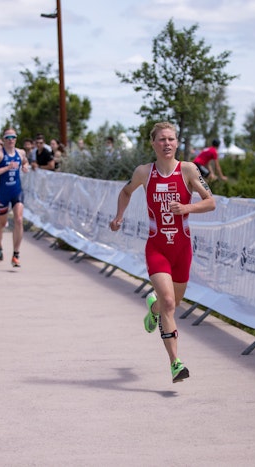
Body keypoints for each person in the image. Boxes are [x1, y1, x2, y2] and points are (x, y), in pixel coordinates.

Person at [109, 122, 216, 383]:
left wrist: (187, 208)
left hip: (182, 249)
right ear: (153, 143)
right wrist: (119, 216)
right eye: (161, 139)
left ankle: (152, 308)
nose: (166, 143)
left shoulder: (188, 170)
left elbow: (211, 202)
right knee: (169, 302)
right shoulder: (144, 172)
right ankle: (175, 364)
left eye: (171, 139)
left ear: (177, 142)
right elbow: (125, 191)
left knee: (172, 304)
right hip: (157, 248)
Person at [0, 128, 30, 267]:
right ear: (4, 139)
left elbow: (25, 161)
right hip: (2, 193)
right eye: (8, 137)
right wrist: (6, 168)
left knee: (18, 219)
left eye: (13, 137)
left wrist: (25, 166)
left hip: (16, 191)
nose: (11, 140)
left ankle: (16, 254)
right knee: (2, 224)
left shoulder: (20, 152)